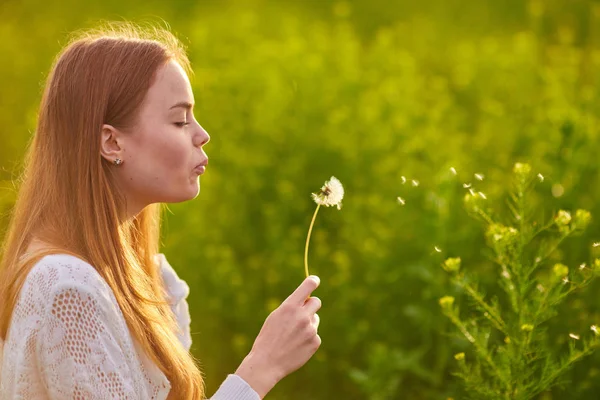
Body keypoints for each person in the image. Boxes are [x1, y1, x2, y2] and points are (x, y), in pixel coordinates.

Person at [0, 22, 322, 400]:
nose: (202, 134)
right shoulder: (69, 290)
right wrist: (261, 368)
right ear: (111, 142)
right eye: (179, 119)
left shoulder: (141, 279)